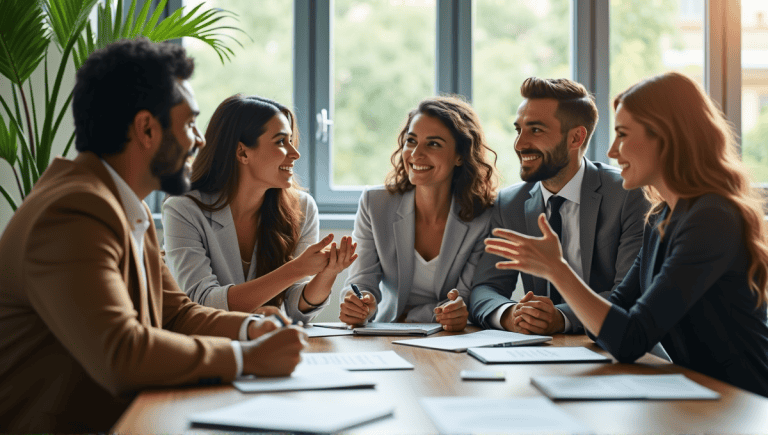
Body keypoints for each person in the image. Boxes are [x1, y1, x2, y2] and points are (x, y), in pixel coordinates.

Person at [0, 39, 306, 432]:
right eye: (190, 123)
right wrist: (248, 358)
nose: (199, 141)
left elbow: (175, 314)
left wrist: (250, 328)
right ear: (146, 128)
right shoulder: (72, 211)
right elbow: (121, 354)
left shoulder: (127, 206)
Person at [485, 72, 768, 397]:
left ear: (665, 138)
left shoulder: (711, 219)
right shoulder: (661, 217)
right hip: (694, 396)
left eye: (622, 134)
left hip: (744, 404)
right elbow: (612, 318)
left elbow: (630, 339)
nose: (612, 151)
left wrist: (557, 269)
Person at [469, 77, 648, 335]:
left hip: (611, 349)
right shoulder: (510, 204)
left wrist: (561, 317)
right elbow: (485, 289)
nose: (519, 144)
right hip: (542, 352)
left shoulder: (627, 195)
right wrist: (511, 314)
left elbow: (628, 295)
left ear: (576, 138)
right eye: (519, 130)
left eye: (536, 130)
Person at [162, 95, 356, 322]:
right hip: (211, 347)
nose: (295, 153)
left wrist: (328, 274)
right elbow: (203, 304)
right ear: (242, 152)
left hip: (270, 344)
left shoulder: (303, 208)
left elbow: (295, 311)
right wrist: (296, 269)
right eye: (281, 141)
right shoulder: (182, 209)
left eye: (292, 140)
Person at [339, 96, 498, 331]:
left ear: (460, 156)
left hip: (451, 339)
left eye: (433, 144)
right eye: (411, 141)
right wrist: (362, 304)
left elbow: (465, 298)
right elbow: (362, 281)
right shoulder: (375, 204)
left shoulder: (483, 216)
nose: (415, 154)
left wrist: (410, 315)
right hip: (388, 337)